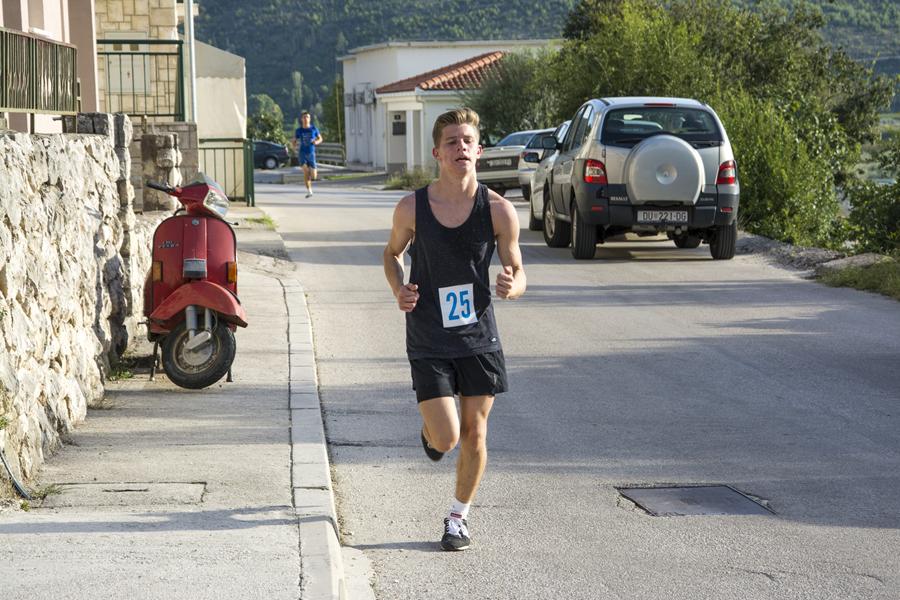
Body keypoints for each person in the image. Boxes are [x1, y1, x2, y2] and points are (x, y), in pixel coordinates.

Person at [382, 108, 526, 551]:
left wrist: (513, 286)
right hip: (428, 333)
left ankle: (457, 518)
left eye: (467, 140)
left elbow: (519, 270)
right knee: (446, 438)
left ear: (478, 151)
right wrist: (399, 288)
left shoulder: (499, 211)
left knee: (475, 432)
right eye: (452, 141)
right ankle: (431, 433)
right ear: (437, 153)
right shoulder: (412, 207)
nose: (460, 147)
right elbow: (391, 255)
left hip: (478, 335)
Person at [293, 111, 323, 197]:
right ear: (301, 119)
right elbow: (294, 140)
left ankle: (312, 172)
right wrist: (294, 147)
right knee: (306, 172)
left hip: (311, 154)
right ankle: (309, 191)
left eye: (307, 117)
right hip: (302, 153)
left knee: (313, 176)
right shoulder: (299, 130)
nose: (306, 118)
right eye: (304, 117)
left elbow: (320, 139)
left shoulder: (314, 129)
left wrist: (316, 142)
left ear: (310, 119)